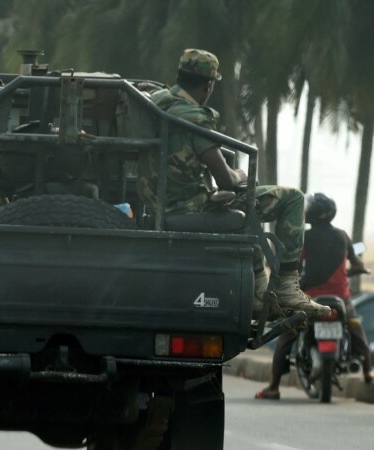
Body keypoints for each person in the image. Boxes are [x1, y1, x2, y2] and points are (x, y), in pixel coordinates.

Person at [137, 48, 330, 318]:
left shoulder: (154, 102)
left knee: (243, 207)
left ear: (180, 76)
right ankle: (287, 286)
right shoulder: (195, 116)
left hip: (161, 206)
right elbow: (225, 179)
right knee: (292, 198)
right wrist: (241, 175)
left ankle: (259, 293)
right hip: (191, 210)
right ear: (208, 85)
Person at [255, 193, 373, 399]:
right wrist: (354, 271)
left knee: (287, 333)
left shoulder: (304, 237)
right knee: (355, 326)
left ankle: (273, 386)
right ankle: (367, 371)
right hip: (340, 298)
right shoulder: (343, 236)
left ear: (317, 214)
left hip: (309, 297)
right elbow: (356, 264)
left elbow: (295, 265)